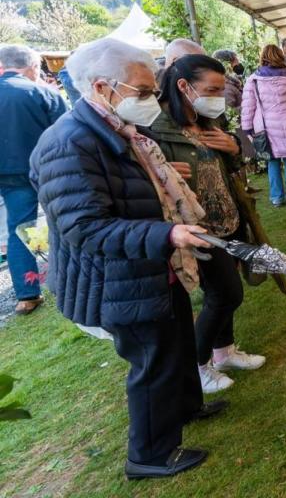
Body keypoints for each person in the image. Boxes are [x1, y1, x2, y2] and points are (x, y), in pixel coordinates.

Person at [30, 38, 224, 480]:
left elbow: (130, 188)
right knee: (151, 359)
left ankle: (187, 406)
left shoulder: (116, 125)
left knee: (175, 343)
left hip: (153, 265)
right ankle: (151, 455)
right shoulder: (68, 143)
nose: (152, 101)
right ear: (102, 87)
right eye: (141, 92)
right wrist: (167, 232)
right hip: (120, 276)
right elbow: (84, 228)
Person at [146, 54, 267, 394]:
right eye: (212, 89)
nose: (219, 96)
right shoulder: (157, 130)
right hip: (198, 230)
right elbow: (146, 180)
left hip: (227, 217)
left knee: (223, 293)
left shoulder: (206, 118)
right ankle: (197, 367)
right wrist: (159, 173)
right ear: (183, 86)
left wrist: (232, 147)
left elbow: (235, 161)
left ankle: (224, 352)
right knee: (226, 294)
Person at [1, 44, 69, 315]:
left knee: (18, 227)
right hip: (44, 168)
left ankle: (27, 294)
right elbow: (67, 134)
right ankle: (68, 277)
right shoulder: (42, 92)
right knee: (63, 216)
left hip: (6, 173)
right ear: (31, 67)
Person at [241, 45, 286, 207]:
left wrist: (247, 128)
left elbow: (248, 106)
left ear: (263, 57)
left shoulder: (254, 79)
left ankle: (276, 197)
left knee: (272, 162)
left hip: (266, 128)